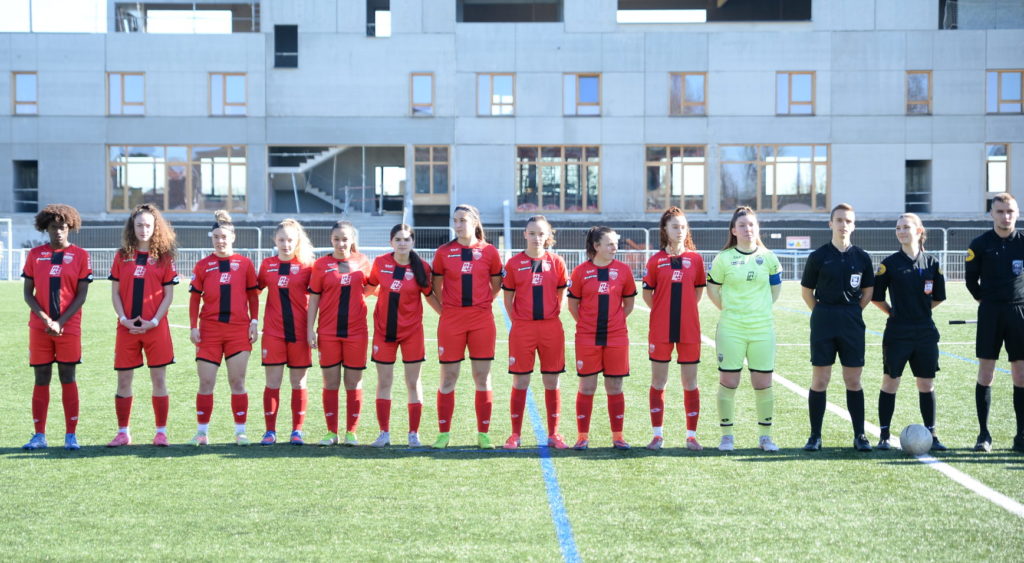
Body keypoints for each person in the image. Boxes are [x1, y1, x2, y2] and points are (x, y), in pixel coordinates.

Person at [801, 203, 875, 452]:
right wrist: (823, 313)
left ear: (854, 226)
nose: (844, 225)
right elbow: (806, 291)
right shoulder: (818, 256)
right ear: (830, 224)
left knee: (853, 379)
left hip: (851, 321)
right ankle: (815, 436)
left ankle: (860, 435)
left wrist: (852, 312)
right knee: (820, 379)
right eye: (839, 220)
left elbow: (867, 291)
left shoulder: (862, 257)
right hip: (823, 319)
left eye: (848, 221)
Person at [706, 207, 781, 452]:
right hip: (731, 328)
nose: (747, 229)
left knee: (763, 383)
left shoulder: (769, 258)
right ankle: (727, 436)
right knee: (729, 381)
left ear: (756, 228)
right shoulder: (724, 258)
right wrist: (730, 310)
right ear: (733, 230)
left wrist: (759, 310)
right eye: (742, 225)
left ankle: (765, 437)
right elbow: (713, 290)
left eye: (751, 225)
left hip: (762, 329)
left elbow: (775, 291)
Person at [871, 213, 946, 451]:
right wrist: (894, 313)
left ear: (919, 231)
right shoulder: (890, 264)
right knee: (890, 382)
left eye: (906, 227)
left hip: (925, 332)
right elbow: (876, 297)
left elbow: (938, 298)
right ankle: (884, 436)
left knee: (926, 384)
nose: (901, 231)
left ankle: (932, 435)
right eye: (898, 228)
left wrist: (920, 311)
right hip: (897, 333)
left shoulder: (932, 263)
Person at [430, 204, 503, 449]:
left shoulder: (490, 252)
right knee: (448, 377)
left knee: (482, 377)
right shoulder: (443, 252)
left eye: (462, 220)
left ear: (474, 221)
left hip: (481, 320)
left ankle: (483, 434)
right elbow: (435, 287)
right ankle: (443, 434)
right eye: (455, 220)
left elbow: (495, 285)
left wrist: (481, 305)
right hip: (452, 321)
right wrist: (447, 311)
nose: (458, 225)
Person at [21, 204, 93, 451]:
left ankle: (70, 435)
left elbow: (81, 295)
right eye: (53, 227)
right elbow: (28, 294)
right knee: (41, 378)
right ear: (46, 228)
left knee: (67, 377)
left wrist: (60, 322)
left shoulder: (81, 255)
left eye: (63, 227)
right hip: (39, 328)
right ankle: (39, 435)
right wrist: (45, 320)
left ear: (70, 227)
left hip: (69, 328)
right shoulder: (35, 255)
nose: (59, 232)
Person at [107, 204, 179, 447]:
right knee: (124, 381)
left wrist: (154, 321)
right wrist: (123, 319)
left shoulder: (164, 257)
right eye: (139, 225)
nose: (143, 229)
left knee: (159, 380)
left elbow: (168, 296)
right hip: (126, 328)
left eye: (148, 225)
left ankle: (161, 431)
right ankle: (123, 432)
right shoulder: (122, 256)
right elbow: (115, 293)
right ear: (132, 227)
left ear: (155, 227)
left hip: (155, 328)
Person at [187, 210, 259, 446]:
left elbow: (253, 296)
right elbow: (195, 299)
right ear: (212, 238)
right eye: (216, 236)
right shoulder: (203, 265)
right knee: (206, 382)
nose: (220, 240)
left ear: (233, 237)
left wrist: (254, 321)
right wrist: (193, 327)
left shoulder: (245, 264)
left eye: (224, 236)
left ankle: (240, 432)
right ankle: (201, 432)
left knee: (237, 382)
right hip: (209, 331)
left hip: (238, 330)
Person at [366, 224, 442, 447]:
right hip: (383, 331)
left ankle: (413, 434)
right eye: (398, 239)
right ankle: (384, 433)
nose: (402, 243)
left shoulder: (422, 267)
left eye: (406, 239)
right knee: (384, 381)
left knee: (412, 381)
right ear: (391, 242)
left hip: (412, 332)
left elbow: (430, 296)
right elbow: (370, 288)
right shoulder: (380, 263)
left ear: (413, 243)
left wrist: (446, 316)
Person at [501, 215, 569, 450]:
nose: (536, 238)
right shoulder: (513, 264)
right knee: (521, 380)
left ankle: (554, 434)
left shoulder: (557, 262)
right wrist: (518, 321)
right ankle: (515, 435)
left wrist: (551, 315)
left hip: (550, 328)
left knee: (552, 380)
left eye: (541, 233)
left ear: (548, 235)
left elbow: (561, 295)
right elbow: (507, 299)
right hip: (523, 328)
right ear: (525, 235)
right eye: (532, 233)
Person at [568, 226, 637, 450]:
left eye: (615, 243)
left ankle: (618, 436)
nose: (614, 247)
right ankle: (582, 436)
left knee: (615, 386)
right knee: (587, 387)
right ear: (596, 246)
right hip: (587, 337)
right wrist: (588, 324)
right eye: (609, 243)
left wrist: (614, 322)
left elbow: (629, 304)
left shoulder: (624, 270)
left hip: (616, 337)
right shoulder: (580, 272)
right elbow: (573, 305)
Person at [643, 207, 706, 451]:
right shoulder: (655, 260)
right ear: (665, 230)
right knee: (659, 382)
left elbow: (698, 291)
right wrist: (662, 311)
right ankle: (657, 435)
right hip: (661, 329)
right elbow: (648, 294)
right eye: (674, 227)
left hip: (689, 329)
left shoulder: (696, 259)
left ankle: (691, 436)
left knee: (690, 383)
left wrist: (686, 311)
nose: (680, 231)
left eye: (683, 226)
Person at [965, 193, 1024, 453]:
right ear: (992, 214)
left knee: (1020, 374)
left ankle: (1021, 435)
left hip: (1019, 313)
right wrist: (984, 301)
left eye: (1010, 211)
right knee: (986, 372)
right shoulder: (979, 244)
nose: (1006, 216)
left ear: (1017, 213)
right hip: (990, 313)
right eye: (1000, 211)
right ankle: (984, 435)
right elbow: (970, 281)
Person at [308, 220, 374, 447]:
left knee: (353, 383)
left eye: (345, 239)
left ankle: (351, 432)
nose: (341, 243)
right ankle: (331, 432)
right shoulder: (321, 265)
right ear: (330, 240)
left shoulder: (363, 262)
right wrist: (310, 329)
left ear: (352, 240)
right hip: (328, 332)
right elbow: (314, 298)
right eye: (336, 239)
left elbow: (371, 288)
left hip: (356, 332)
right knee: (331, 382)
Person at [257, 219, 315, 445]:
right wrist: (251, 320)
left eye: (290, 240)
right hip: (273, 333)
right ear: (275, 240)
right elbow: (254, 291)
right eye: (281, 239)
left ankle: (296, 431)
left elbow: (320, 296)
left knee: (299, 383)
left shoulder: (308, 267)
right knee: (272, 383)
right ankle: (270, 431)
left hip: (300, 333)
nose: (285, 244)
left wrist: (313, 328)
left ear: (297, 240)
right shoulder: (267, 265)